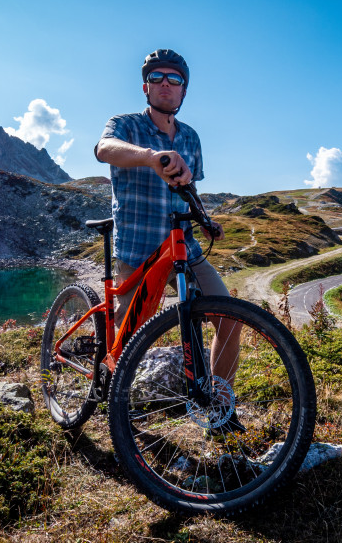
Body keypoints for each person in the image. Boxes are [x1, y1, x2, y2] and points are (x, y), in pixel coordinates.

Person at [95, 50, 242, 419]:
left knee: (229, 320)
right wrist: (151, 157)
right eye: (156, 77)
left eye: (174, 79)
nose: (165, 84)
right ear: (146, 87)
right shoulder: (125, 125)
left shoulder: (190, 138)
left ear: (183, 91)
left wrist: (204, 219)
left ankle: (219, 409)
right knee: (129, 341)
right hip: (138, 247)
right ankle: (119, 411)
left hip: (184, 245)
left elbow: (189, 187)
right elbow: (104, 149)